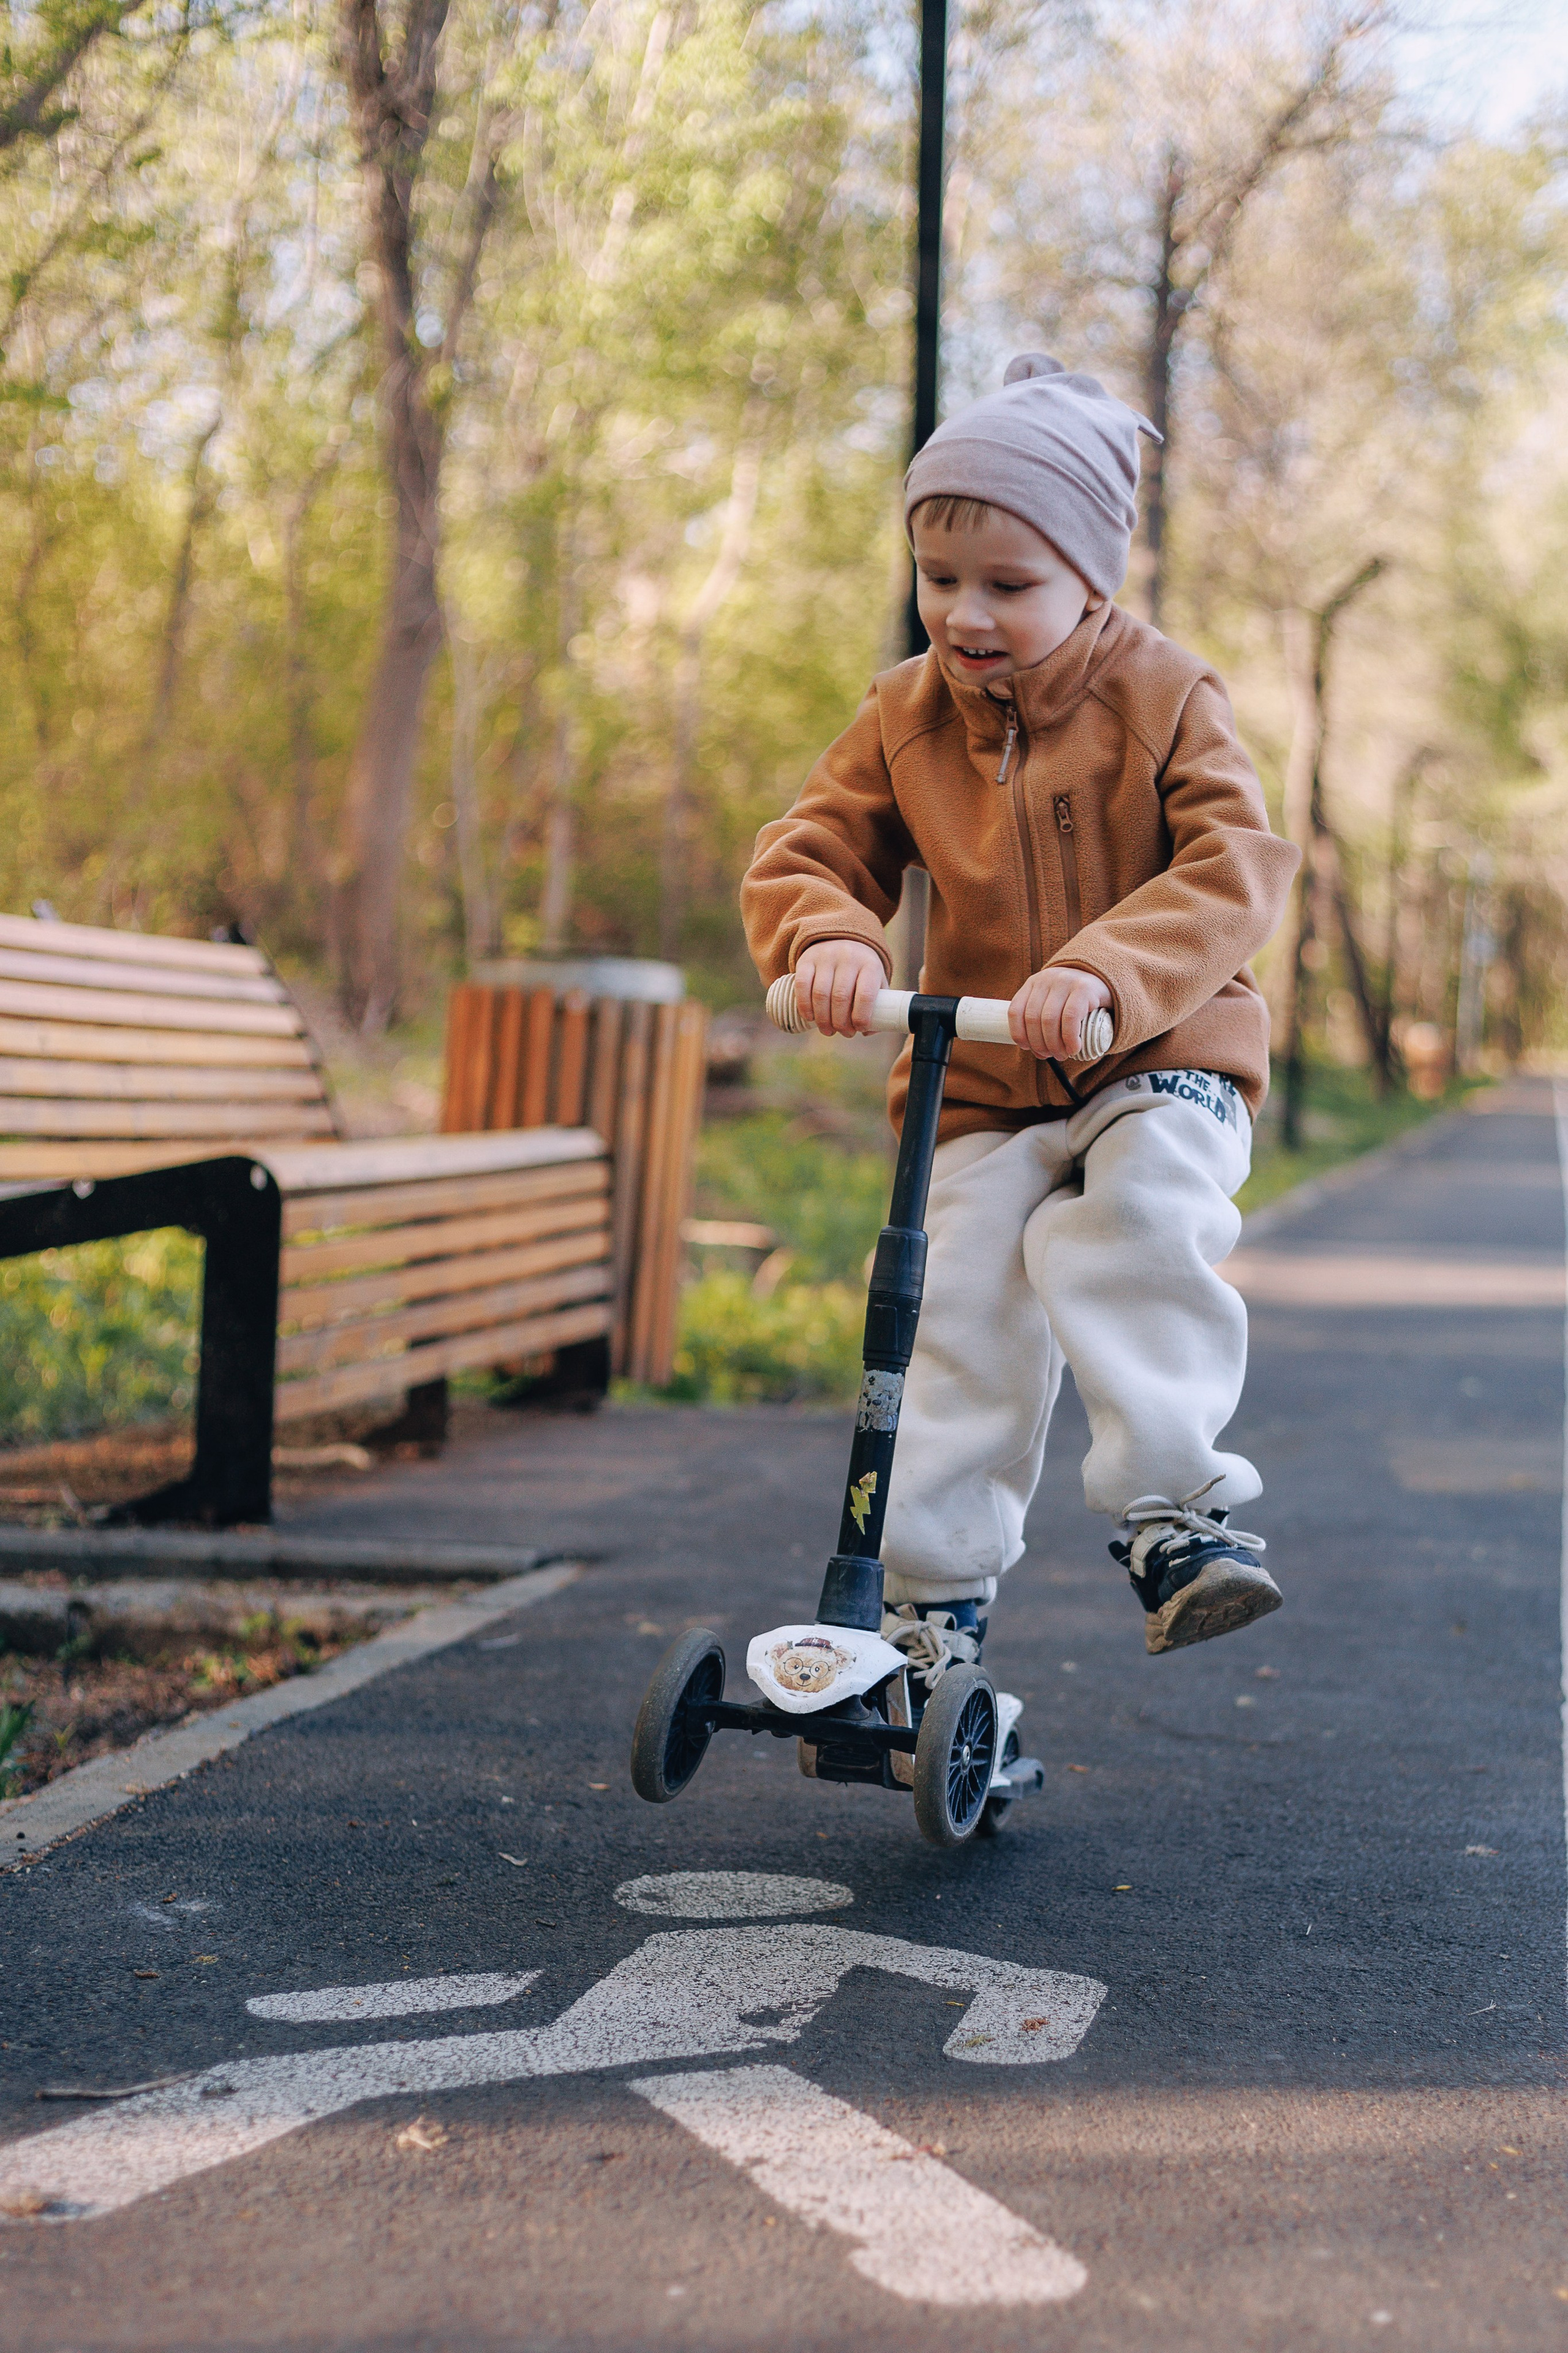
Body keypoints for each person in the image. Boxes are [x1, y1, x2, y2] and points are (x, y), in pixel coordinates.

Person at [741, 354, 1300, 1678]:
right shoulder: (903, 714)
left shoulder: (1164, 694)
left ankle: (1176, 1514)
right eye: (939, 579)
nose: (964, 613)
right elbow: (810, 850)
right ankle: (929, 1610)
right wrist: (829, 939)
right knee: (952, 1317)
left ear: (1092, 579)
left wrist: (1105, 976)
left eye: (1007, 583)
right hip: (984, 1082)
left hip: (1158, 1055)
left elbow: (1234, 867)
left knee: (1136, 1222)